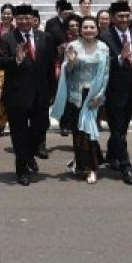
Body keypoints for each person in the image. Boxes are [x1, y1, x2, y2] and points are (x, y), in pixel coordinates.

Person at [52, 15, 109, 184]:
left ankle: (90, 167)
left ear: (97, 29)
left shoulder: (103, 48)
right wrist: (70, 63)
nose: (89, 30)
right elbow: (67, 72)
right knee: (79, 133)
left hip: (93, 96)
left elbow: (106, 74)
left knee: (89, 133)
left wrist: (100, 96)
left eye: (92, 27)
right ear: (80, 30)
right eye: (85, 27)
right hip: (76, 96)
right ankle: (86, 165)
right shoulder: (73, 46)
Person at [101, 2, 132, 185]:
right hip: (113, 92)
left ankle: (112, 155)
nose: (124, 19)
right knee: (118, 130)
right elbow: (101, 65)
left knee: (122, 128)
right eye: (120, 16)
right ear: (112, 18)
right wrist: (119, 58)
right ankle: (125, 166)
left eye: (127, 15)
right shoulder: (104, 38)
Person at [54, 15, 82, 136]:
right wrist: (58, 71)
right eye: (72, 26)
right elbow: (57, 61)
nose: (75, 28)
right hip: (66, 76)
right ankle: (64, 125)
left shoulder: (85, 43)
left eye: (77, 25)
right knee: (65, 101)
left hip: (81, 77)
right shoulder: (62, 46)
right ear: (67, 29)